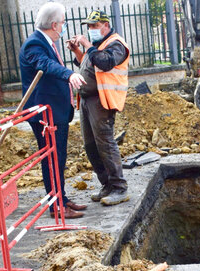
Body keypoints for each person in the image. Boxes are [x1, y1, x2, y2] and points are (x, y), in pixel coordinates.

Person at [19, 2, 88, 219]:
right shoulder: (34, 44)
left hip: (56, 112)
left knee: (59, 157)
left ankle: (62, 198)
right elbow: (45, 65)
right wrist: (69, 75)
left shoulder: (47, 41)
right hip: (44, 115)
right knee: (52, 160)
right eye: (63, 23)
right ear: (54, 24)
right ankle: (56, 205)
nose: (64, 27)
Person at [69, 10, 130, 206]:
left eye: (94, 26)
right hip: (87, 100)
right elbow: (88, 65)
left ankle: (120, 187)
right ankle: (107, 184)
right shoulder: (97, 45)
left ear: (105, 24)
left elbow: (104, 63)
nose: (90, 30)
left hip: (102, 100)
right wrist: (78, 51)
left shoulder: (116, 44)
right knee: (90, 146)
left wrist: (87, 46)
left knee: (105, 143)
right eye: (88, 27)